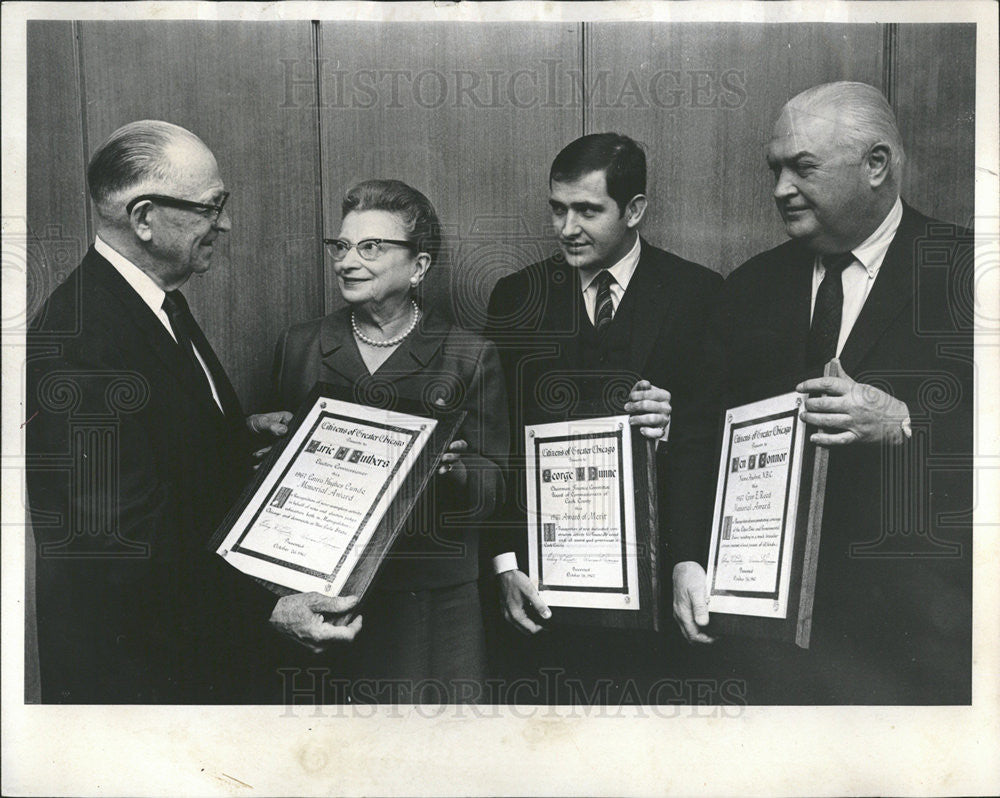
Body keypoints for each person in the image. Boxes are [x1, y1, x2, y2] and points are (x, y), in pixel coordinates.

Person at [26, 120, 358, 704]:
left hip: (183, 649)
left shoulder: (154, 302)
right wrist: (272, 609)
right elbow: (118, 539)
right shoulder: (81, 340)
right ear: (145, 218)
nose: (224, 224)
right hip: (138, 677)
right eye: (212, 207)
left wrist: (235, 433)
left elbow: (156, 438)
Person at [672, 82, 973, 703]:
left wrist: (906, 421)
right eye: (774, 169)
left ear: (876, 165)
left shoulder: (969, 273)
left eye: (802, 167)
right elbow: (700, 433)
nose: (781, 188)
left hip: (921, 633)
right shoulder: (746, 288)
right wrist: (685, 560)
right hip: (764, 639)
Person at [483, 133, 722, 702]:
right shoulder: (518, 297)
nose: (567, 228)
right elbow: (492, 439)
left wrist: (669, 427)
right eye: (557, 209)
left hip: (655, 591)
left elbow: (709, 437)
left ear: (634, 210)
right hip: (543, 593)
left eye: (587, 211)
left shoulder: (698, 293)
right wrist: (503, 565)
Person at [269, 179, 508, 703]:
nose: (347, 261)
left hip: (432, 598)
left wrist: (459, 470)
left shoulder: (468, 353)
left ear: (418, 267)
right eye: (342, 246)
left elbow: (499, 483)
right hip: (325, 597)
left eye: (370, 247)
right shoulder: (301, 345)